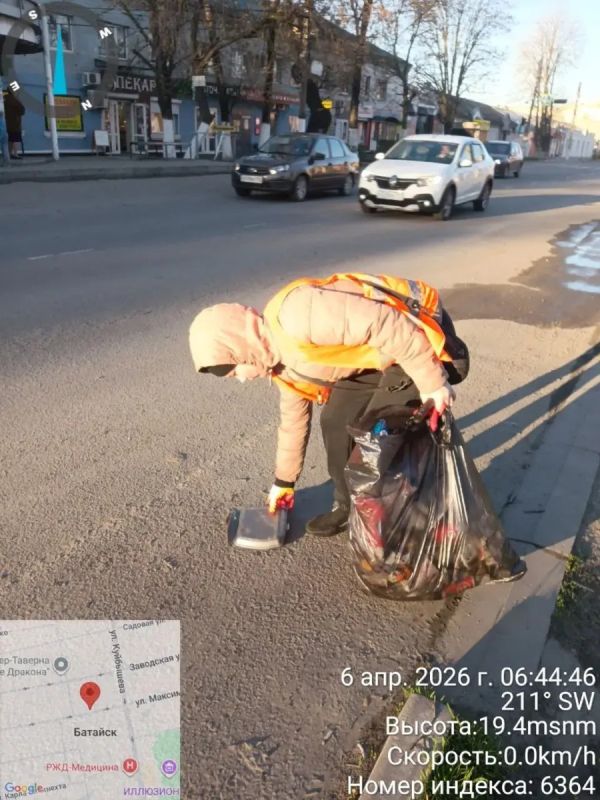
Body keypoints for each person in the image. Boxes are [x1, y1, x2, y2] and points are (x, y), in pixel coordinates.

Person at [189, 273, 465, 538]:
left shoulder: (298, 315)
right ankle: (348, 506)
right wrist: (284, 483)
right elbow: (293, 424)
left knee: (377, 437)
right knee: (335, 421)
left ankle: (417, 521)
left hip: (415, 340)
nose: (240, 381)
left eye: (235, 372)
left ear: (243, 350)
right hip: (372, 359)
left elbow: (387, 324)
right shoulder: (280, 366)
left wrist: (431, 382)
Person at [4, 88, 25, 160]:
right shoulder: (15, 100)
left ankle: (9, 153)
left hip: (6, 123)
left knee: (10, 139)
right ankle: (15, 154)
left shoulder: (5, 99)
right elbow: (22, 110)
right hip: (15, 124)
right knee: (15, 139)